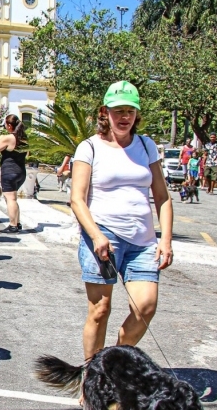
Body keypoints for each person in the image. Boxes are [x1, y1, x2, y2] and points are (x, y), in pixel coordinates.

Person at [69, 81, 173, 363]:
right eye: (118, 111)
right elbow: (77, 199)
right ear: (105, 112)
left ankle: (112, 363)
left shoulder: (146, 146)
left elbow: (162, 196)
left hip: (143, 241)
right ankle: (93, 375)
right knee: (100, 310)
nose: (125, 116)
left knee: (145, 307)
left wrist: (165, 240)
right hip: (103, 235)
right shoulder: (89, 147)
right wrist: (96, 235)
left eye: (130, 111)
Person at [0, 114, 27, 233]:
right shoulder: (23, 138)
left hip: (9, 171)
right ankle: (17, 223)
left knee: (10, 199)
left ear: (9, 125)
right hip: (21, 171)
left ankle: (13, 225)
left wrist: (1, 137)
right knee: (13, 198)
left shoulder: (9, 137)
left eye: (5, 124)